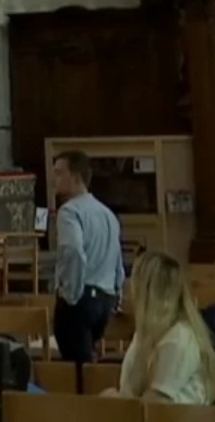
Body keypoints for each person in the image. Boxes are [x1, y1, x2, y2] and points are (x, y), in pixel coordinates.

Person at [112, 251, 215, 404]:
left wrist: (116, 400)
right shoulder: (145, 334)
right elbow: (129, 389)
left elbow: (155, 404)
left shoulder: (180, 337)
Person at [49, 149, 124, 365]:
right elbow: (117, 258)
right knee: (87, 364)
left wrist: (70, 294)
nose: (54, 179)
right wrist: (117, 293)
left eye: (59, 173)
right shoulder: (107, 214)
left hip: (81, 298)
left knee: (76, 371)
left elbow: (72, 251)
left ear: (75, 177)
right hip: (104, 298)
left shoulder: (69, 212)